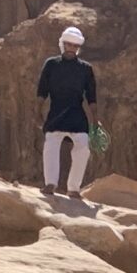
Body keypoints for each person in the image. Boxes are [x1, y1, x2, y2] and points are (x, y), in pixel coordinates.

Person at [36, 26, 96, 198]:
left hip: (77, 116)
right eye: (69, 44)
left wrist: (95, 119)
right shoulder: (51, 64)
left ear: (78, 48)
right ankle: (50, 184)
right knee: (51, 145)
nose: (71, 48)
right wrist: (37, 111)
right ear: (63, 44)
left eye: (75, 46)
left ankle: (74, 188)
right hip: (56, 114)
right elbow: (42, 90)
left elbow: (91, 96)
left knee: (83, 147)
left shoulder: (85, 69)